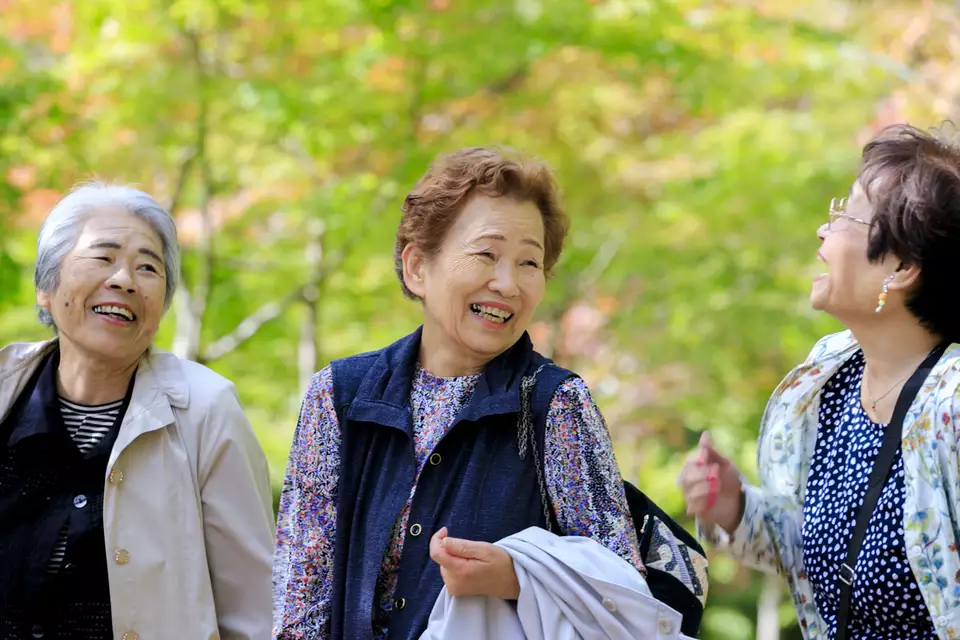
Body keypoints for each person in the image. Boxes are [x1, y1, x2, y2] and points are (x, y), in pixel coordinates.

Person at [272, 147, 705, 639]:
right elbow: (300, 598)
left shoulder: (556, 403)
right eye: (486, 253)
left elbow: (621, 594)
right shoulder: (339, 395)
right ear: (417, 267)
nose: (508, 283)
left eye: (529, 262)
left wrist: (516, 576)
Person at [679, 123, 960, 639]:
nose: (823, 231)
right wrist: (736, 509)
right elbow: (817, 550)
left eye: (848, 214)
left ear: (902, 269)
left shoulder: (953, 404)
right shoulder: (826, 380)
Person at [0, 182, 275, 639]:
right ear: (46, 288)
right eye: (103, 257)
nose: (124, 279)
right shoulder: (6, 391)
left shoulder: (205, 410)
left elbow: (255, 610)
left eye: (148, 267)